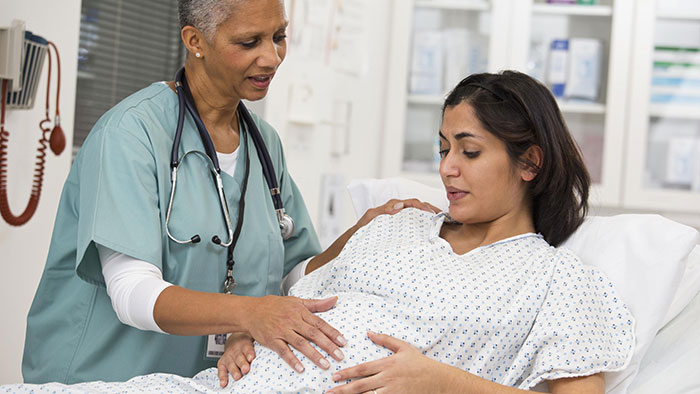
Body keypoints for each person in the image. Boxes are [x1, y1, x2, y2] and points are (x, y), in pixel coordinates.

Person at [11, 70, 635, 393]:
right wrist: (246, 332)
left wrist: (442, 383)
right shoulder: (398, 226)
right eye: (442, 147)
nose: (445, 168)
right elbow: (297, 290)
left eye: (468, 152)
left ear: (530, 162)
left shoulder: (560, 280)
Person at [21, 0, 434, 384]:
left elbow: (291, 274)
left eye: (279, 37)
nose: (271, 57)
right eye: (249, 42)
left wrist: (362, 232)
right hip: (102, 378)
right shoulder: (131, 134)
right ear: (195, 41)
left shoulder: (264, 144)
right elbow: (133, 292)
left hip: (197, 382)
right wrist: (252, 314)